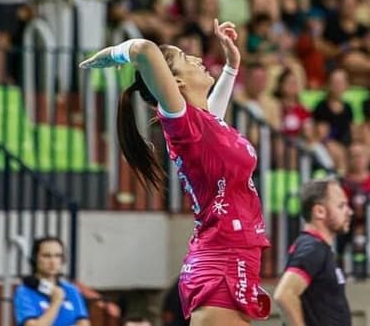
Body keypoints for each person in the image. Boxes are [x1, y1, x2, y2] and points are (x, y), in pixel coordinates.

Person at [79, 19, 270, 326]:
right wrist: (112, 54)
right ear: (175, 84)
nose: (196, 58)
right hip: (220, 260)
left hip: (239, 256)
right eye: (185, 58)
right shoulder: (183, 125)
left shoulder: (205, 125)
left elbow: (213, 112)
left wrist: (232, 67)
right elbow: (143, 49)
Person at [273, 178, 353, 326]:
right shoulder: (312, 248)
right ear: (319, 211)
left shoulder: (319, 248)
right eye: (341, 206)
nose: (349, 212)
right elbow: (284, 294)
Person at [13, 236, 90, 326]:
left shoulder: (71, 290)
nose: (52, 261)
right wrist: (56, 302)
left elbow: (84, 323)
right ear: (35, 259)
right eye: (46, 256)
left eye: (57, 256)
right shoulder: (24, 292)